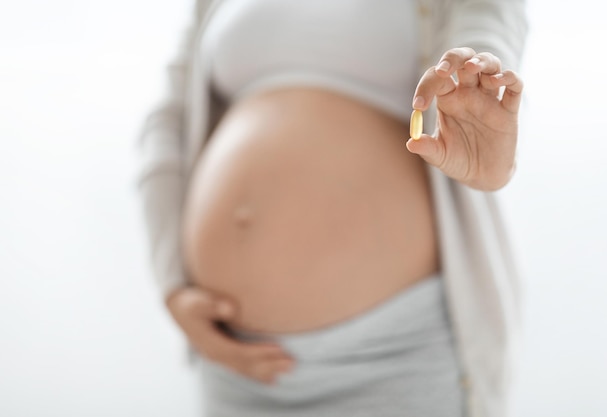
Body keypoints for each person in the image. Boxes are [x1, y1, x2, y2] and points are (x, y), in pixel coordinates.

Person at [136, 0, 528, 416]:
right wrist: (172, 286)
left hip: (393, 354)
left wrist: (481, 89)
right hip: (237, 363)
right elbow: (166, 128)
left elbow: (487, 26)